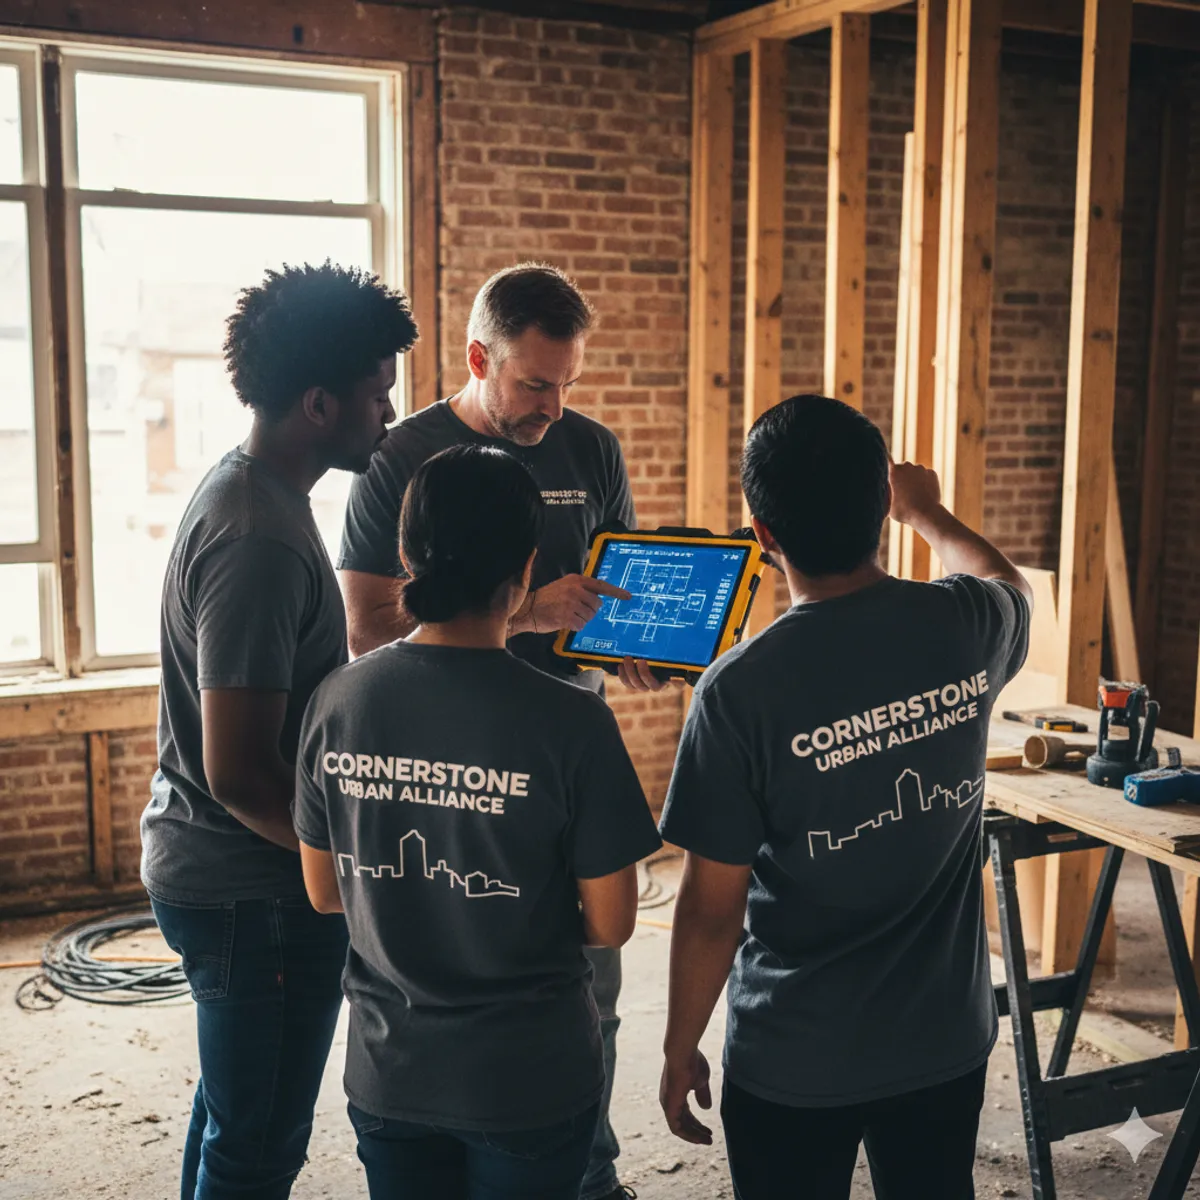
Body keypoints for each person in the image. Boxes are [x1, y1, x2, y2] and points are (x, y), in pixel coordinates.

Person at [337, 262, 660, 1200]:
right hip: (443, 749)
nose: (553, 407)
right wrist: (527, 614)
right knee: (454, 950)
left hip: (565, 736)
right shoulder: (401, 458)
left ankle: (586, 1174)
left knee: (593, 977)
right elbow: (366, 628)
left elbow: (608, 589)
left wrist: (631, 640)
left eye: (567, 384)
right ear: (479, 357)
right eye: (533, 384)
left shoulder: (591, 450)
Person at [657, 394, 1033, 1200]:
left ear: (762, 534)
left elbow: (712, 906)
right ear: (880, 509)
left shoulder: (738, 691)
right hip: (943, 1041)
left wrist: (679, 1043)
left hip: (793, 1054)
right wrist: (928, 512)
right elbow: (1006, 582)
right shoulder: (965, 624)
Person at [141, 262, 419, 1199]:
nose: (387, 415)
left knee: (233, 1119)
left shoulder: (260, 493)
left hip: (237, 882)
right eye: (377, 395)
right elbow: (239, 773)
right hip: (247, 892)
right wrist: (348, 880)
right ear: (317, 403)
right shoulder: (257, 537)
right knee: (258, 1144)